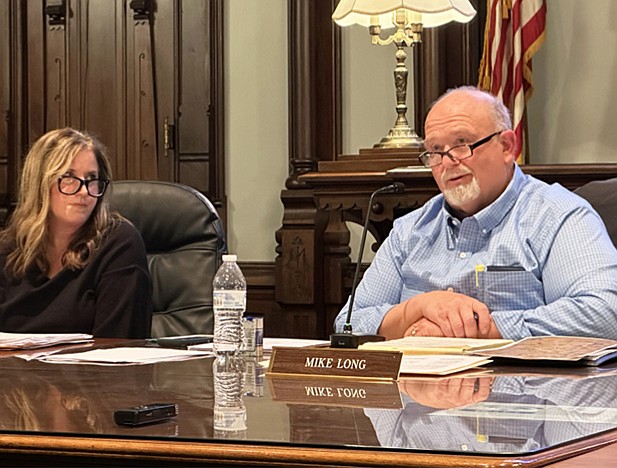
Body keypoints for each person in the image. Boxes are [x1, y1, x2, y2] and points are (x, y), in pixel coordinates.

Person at [334, 86, 617, 341]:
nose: (447, 162)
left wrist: (480, 327)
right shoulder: (409, 231)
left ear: (507, 146)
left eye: (461, 144)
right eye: (435, 151)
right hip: (415, 393)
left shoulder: (558, 216)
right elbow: (347, 323)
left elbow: (605, 314)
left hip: (520, 393)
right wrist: (416, 309)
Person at [0, 127, 152, 338]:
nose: (83, 191)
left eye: (91, 179)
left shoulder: (119, 244)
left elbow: (119, 348)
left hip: (92, 371)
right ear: (40, 185)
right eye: (69, 178)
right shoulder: (9, 250)